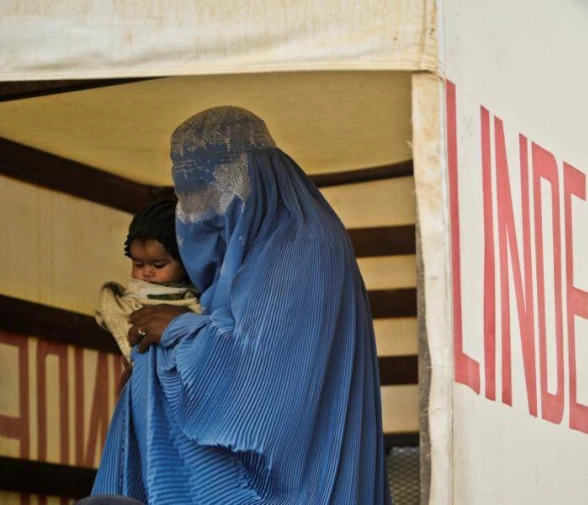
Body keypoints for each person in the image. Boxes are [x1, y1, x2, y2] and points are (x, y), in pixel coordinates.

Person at [91, 106, 391, 504]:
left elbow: (261, 374)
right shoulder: (263, 240)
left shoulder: (300, 244)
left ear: (245, 176)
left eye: (206, 190)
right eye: (187, 193)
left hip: (296, 481)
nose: (197, 209)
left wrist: (177, 331)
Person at [95, 198, 201, 369]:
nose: (147, 272)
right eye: (138, 264)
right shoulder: (127, 302)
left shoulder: (204, 295)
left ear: (185, 260)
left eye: (158, 265)